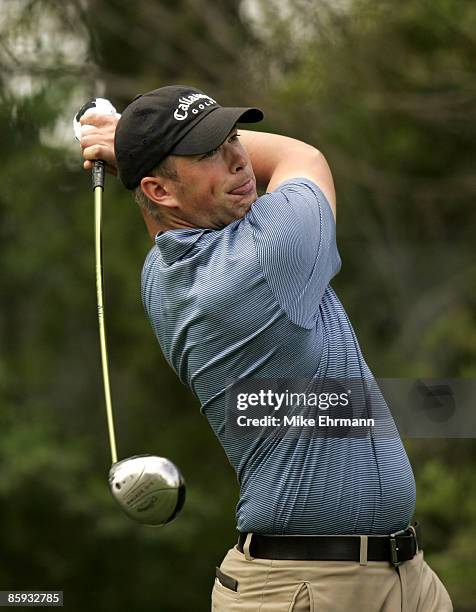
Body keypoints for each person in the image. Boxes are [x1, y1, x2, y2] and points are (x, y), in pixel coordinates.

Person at [80, 85, 453, 611]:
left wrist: (145, 147)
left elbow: (173, 217)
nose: (238, 158)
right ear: (159, 190)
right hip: (306, 587)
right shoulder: (269, 255)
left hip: (403, 577)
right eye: (209, 151)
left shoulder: (162, 274)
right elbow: (302, 156)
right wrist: (128, 137)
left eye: (233, 137)